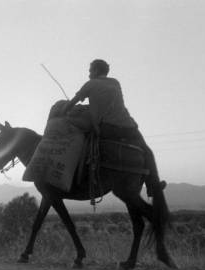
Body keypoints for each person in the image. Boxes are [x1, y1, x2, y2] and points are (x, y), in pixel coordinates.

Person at [64, 59, 164, 197]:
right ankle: (153, 185)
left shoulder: (90, 84)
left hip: (107, 128)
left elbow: (72, 103)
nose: (89, 74)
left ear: (96, 71)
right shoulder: (115, 83)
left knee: (83, 143)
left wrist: (64, 110)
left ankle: (80, 179)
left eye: (90, 71)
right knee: (146, 151)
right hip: (129, 127)